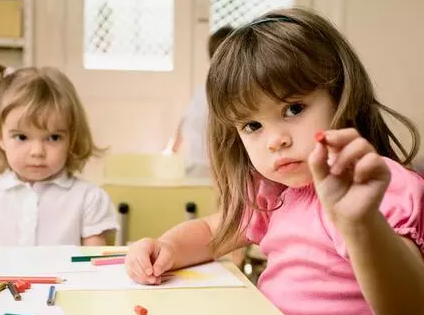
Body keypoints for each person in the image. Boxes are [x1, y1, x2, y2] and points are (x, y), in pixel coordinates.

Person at [125, 7, 424, 315]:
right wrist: (168, 248)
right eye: (252, 126)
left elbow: (412, 305)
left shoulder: (376, 187)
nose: (275, 140)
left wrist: (362, 224)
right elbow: (211, 232)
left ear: (341, 97)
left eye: (294, 109)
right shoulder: (274, 194)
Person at [0, 65, 118, 246]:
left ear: (72, 138)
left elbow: (93, 267)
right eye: (21, 137)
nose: (37, 151)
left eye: (53, 137)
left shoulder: (89, 199)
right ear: (0, 137)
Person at [165, 25, 234, 178]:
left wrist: (174, 149)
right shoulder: (229, 93)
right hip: (213, 167)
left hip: (196, 163)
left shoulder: (201, 91)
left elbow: (183, 120)